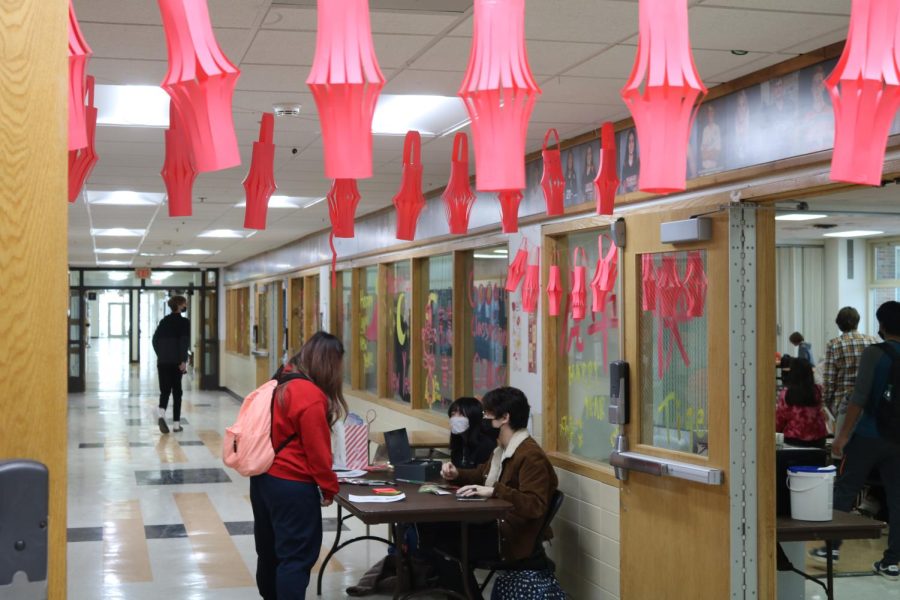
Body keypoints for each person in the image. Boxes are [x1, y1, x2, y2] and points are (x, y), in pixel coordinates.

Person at [419, 387, 559, 594]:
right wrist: (457, 474)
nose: (483, 419)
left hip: (508, 538)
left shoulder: (530, 456)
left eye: (487, 414)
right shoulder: (502, 449)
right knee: (431, 530)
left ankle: (465, 595)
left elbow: (535, 505)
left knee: (441, 541)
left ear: (504, 417)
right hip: (493, 525)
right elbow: (481, 474)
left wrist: (494, 491)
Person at [251, 332, 347, 599]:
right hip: (292, 485)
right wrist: (329, 488)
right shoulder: (309, 394)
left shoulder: (279, 378)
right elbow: (318, 452)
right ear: (328, 363)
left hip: (262, 480)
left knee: (269, 553)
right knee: (295, 558)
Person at [810, 301, 900, 579]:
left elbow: (858, 398)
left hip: (869, 434)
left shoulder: (875, 353)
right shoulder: (874, 346)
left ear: (882, 325)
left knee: (846, 487)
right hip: (897, 440)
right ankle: (893, 561)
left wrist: (843, 435)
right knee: (897, 499)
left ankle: (831, 546)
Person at [822, 307, 878, 435]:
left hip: (844, 403)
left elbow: (829, 379)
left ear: (839, 324)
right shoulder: (873, 341)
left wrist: (825, 403)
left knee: (843, 447)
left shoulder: (834, 344)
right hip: (869, 401)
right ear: (857, 322)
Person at [152, 295, 190, 434]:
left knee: (165, 391)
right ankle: (176, 425)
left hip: (163, 362)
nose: (186, 305)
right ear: (179, 305)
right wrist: (183, 360)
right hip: (176, 362)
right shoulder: (184, 322)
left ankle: (161, 415)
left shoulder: (164, 321)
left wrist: (161, 354)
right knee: (177, 393)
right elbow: (183, 342)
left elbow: (154, 340)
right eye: (184, 303)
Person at [775, 358, 827, 448]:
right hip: (818, 441)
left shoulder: (786, 394)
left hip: (793, 441)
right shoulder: (818, 391)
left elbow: (779, 420)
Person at [448, 396, 498, 469]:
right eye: (453, 414)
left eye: (461, 414)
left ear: (473, 417)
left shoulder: (486, 445)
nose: (455, 419)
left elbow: (481, 475)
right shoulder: (458, 442)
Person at [699, 104, 722, 173]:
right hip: (704, 168)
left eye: (711, 111)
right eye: (708, 112)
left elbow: (717, 155)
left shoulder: (717, 128)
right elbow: (702, 156)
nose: (710, 113)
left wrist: (708, 153)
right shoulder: (705, 129)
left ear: (714, 112)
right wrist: (711, 152)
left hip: (715, 168)